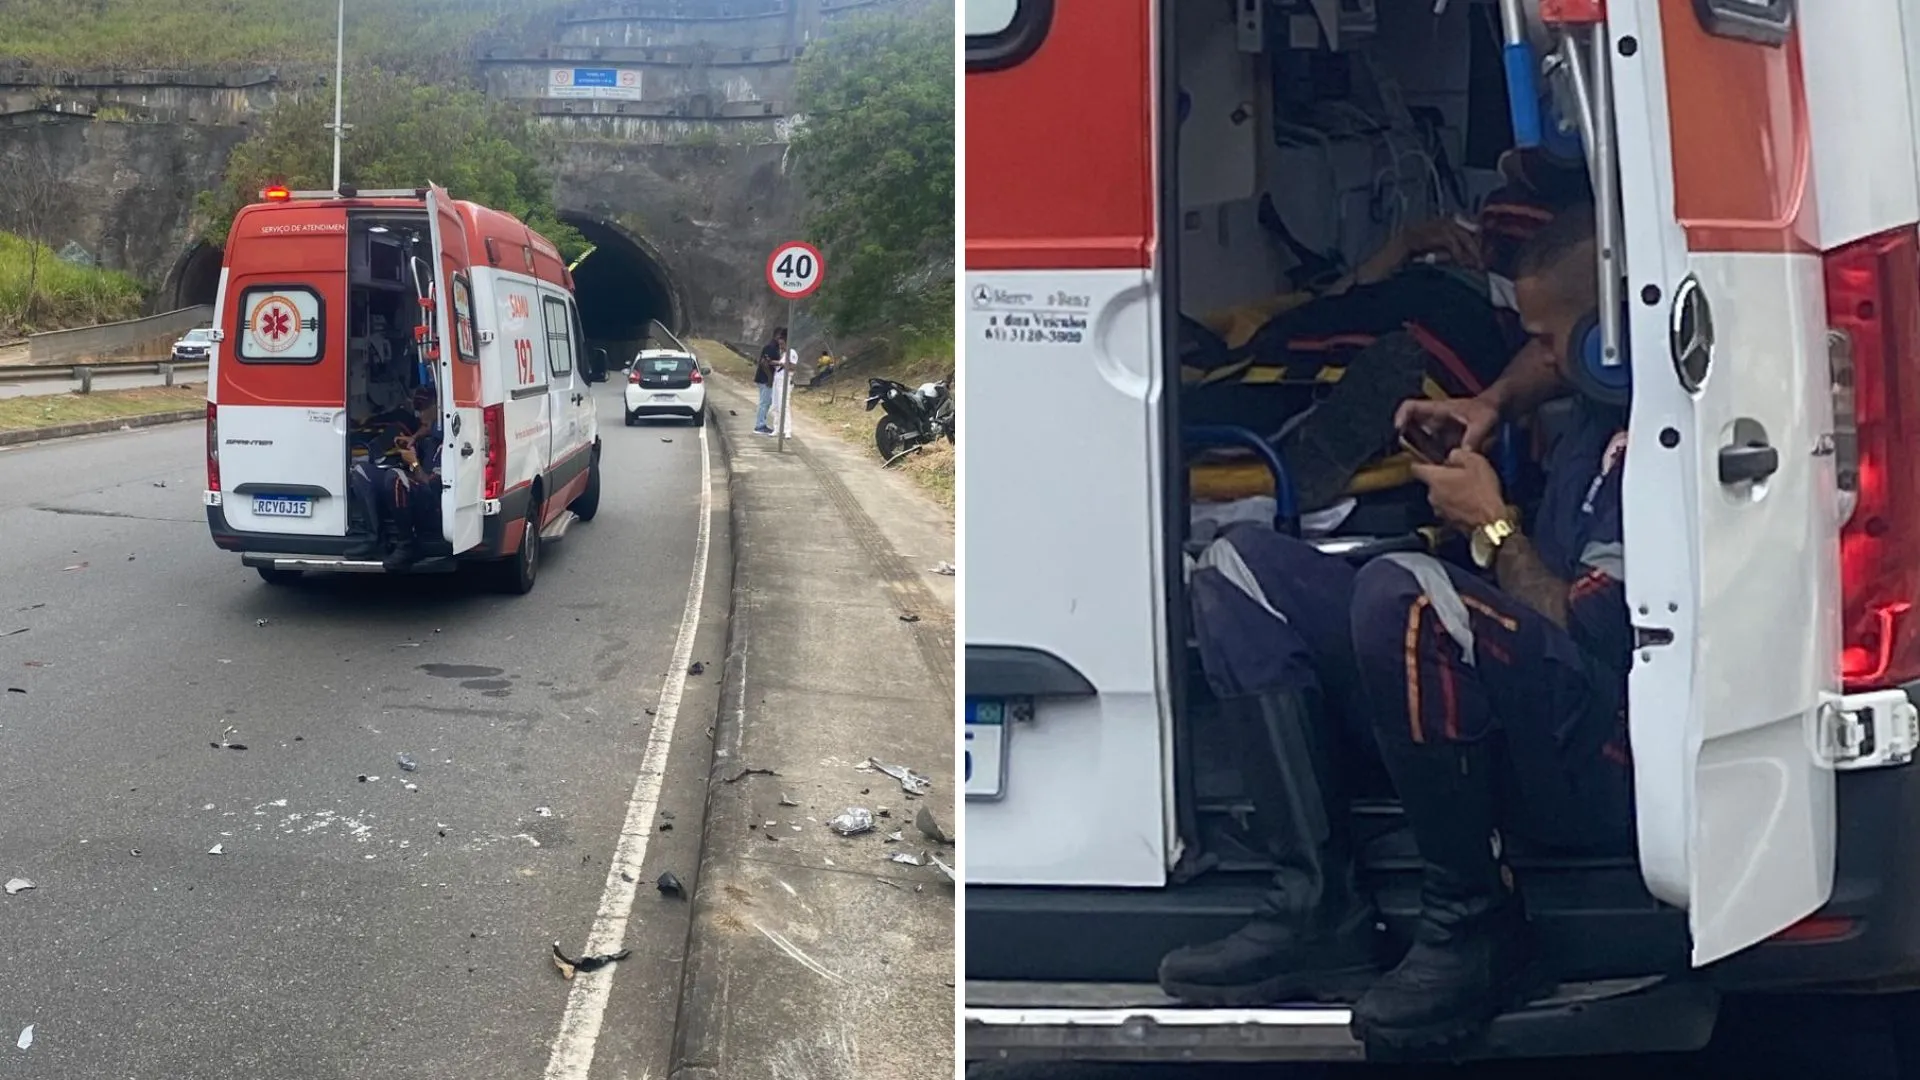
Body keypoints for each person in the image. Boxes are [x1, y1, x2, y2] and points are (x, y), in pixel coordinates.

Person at [1162, 203, 1633, 1057]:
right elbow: (1548, 360)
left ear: (1611, 339)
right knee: (1239, 568)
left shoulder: (1652, 446)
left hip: (1595, 751)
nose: (1538, 356)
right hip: (1533, 699)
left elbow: (1598, 637)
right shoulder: (1595, 383)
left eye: (1547, 339)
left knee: (1404, 592)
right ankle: (1317, 906)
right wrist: (1489, 404)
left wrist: (1493, 527)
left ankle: (1477, 924)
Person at [1183, 148, 1592, 510]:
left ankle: (1313, 437)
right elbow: (1339, 296)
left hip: (1464, 310)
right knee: (1305, 337)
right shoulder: (1452, 242)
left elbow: (1548, 347)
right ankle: (1211, 417)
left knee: (1413, 352)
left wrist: (1497, 400)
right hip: (1401, 292)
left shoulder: (1555, 277)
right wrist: (1405, 244)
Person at [754, 328, 785, 435]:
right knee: (764, 402)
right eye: (780, 337)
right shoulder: (771, 347)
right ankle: (759, 425)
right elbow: (764, 363)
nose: (781, 339)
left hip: (766, 378)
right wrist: (770, 378)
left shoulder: (775, 347)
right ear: (776, 335)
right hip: (765, 379)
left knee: (767, 402)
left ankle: (762, 423)